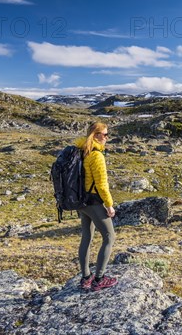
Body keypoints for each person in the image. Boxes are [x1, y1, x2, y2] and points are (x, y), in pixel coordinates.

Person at [75, 122, 118, 291]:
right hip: (94, 202)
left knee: (87, 236)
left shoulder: (83, 151)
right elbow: (101, 184)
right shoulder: (97, 155)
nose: (107, 138)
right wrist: (109, 205)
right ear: (97, 135)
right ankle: (99, 279)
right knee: (109, 237)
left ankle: (86, 277)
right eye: (105, 134)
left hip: (82, 201)